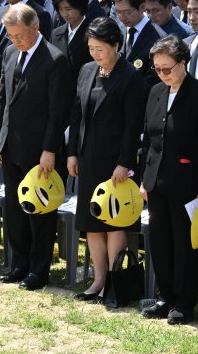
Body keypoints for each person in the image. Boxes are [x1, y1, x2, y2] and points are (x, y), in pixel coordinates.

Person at [67, 17, 146, 302]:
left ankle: (114, 281)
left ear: (116, 45)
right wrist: (72, 152)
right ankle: (98, 279)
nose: (95, 54)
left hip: (116, 163)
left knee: (115, 221)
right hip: (89, 158)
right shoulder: (87, 71)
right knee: (92, 222)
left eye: (100, 48)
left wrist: (124, 162)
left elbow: (133, 125)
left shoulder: (130, 77)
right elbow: (76, 115)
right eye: (91, 48)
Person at [139, 35, 198, 324]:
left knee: (184, 243)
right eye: (157, 69)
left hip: (187, 183)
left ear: (184, 63)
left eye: (167, 68)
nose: (162, 74)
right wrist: (144, 178)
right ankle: (165, 295)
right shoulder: (156, 92)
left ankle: (184, 302)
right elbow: (149, 139)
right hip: (157, 179)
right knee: (160, 241)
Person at [0, 3, 69, 290]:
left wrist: (49, 149)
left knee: (39, 211)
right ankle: (19, 264)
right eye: (11, 36)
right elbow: (4, 99)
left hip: (39, 149)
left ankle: (39, 270)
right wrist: (0, 137)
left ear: (35, 28)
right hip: (12, 144)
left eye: (19, 36)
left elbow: (57, 111)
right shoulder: (11, 53)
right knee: (14, 208)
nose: (15, 41)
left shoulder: (54, 59)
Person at [115, 0, 162, 87]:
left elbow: (153, 80)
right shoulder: (117, 29)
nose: (122, 17)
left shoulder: (159, 38)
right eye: (118, 12)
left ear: (142, 7)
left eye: (127, 12)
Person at [50, 0, 91, 94]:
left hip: (83, 95)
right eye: (60, 9)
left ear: (81, 6)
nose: (64, 14)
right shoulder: (56, 34)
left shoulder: (93, 33)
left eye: (68, 9)